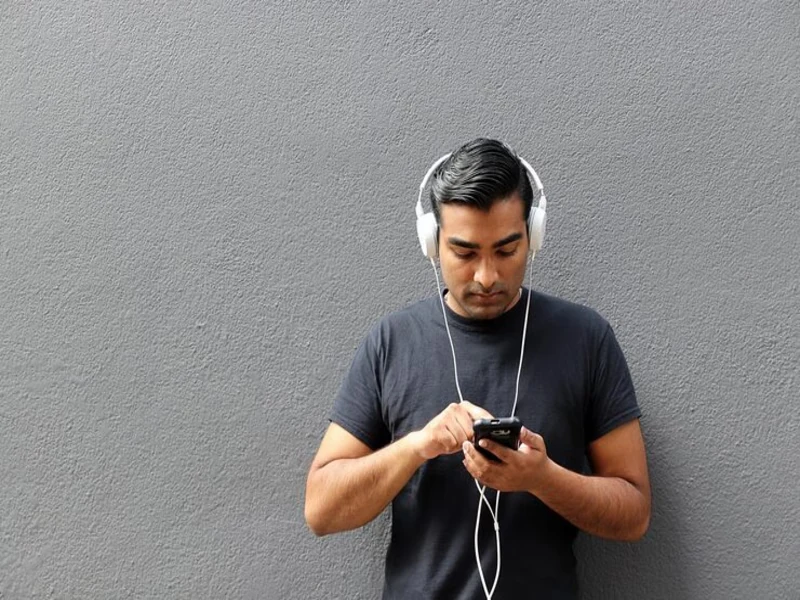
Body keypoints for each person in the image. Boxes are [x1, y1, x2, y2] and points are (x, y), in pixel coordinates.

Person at [304, 138, 651, 599]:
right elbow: (321, 509)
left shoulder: (586, 339)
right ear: (432, 244)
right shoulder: (392, 342)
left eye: (506, 251)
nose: (486, 276)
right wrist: (418, 446)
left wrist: (542, 479)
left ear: (533, 236)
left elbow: (634, 514)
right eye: (465, 253)